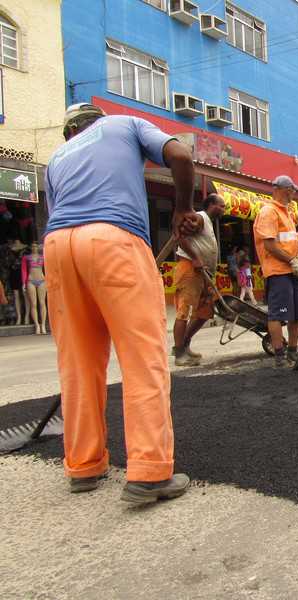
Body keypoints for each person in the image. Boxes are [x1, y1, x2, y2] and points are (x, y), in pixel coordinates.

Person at [43, 102, 194, 502]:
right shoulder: (125, 123)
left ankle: (83, 465)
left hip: (58, 247)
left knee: (77, 362)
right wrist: (182, 207)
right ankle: (148, 473)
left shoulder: (56, 157)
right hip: (114, 240)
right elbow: (180, 154)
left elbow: (56, 213)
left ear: (70, 132)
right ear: (98, 120)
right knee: (142, 358)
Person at [253, 175, 298, 368]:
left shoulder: (288, 214)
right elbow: (269, 244)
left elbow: (293, 241)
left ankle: (293, 352)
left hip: (294, 270)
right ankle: (279, 354)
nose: (294, 193)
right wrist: (291, 260)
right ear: (285, 189)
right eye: (292, 189)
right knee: (278, 314)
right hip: (278, 271)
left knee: (297, 313)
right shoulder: (269, 212)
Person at [173, 193, 225, 366]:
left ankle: (185, 344)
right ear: (210, 204)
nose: (223, 210)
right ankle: (179, 354)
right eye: (221, 206)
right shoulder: (201, 217)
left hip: (204, 273)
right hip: (190, 269)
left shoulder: (208, 223)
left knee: (205, 311)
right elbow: (180, 237)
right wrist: (195, 257)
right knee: (184, 311)